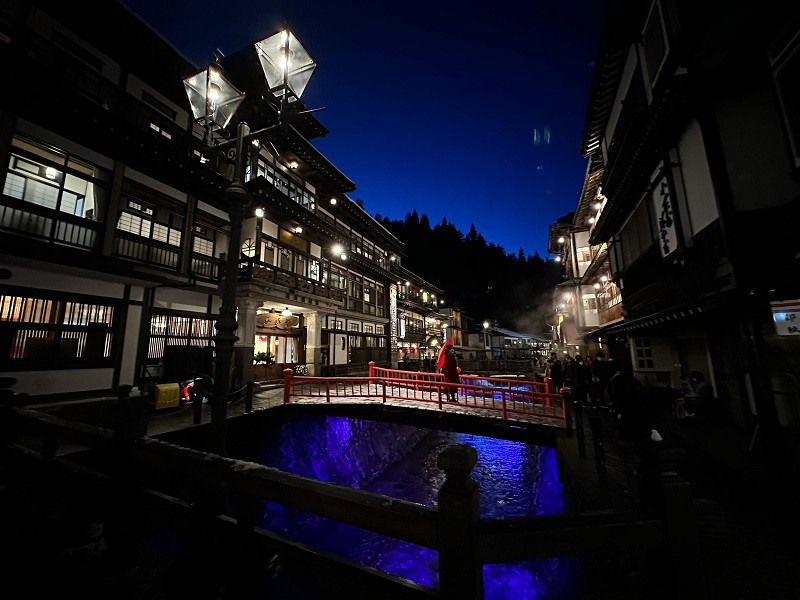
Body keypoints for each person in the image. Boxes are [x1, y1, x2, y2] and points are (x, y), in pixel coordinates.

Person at [608, 366, 660, 442]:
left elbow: (616, 398)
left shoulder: (616, 383)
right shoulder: (634, 381)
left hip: (627, 410)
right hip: (639, 409)